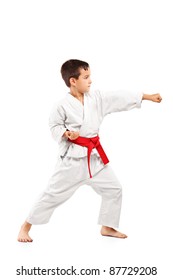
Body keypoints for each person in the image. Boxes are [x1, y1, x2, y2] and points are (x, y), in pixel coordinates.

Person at [17, 59, 162, 242]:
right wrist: (66, 133)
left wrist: (146, 96)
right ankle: (25, 227)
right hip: (72, 162)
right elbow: (54, 126)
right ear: (73, 80)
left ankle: (107, 227)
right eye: (86, 77)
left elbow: (118, 97)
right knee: (52, 195)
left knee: (114, 188)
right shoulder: (61, 105)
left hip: (94, 159)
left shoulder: (97, 98)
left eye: (90, 76)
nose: (90, 81)